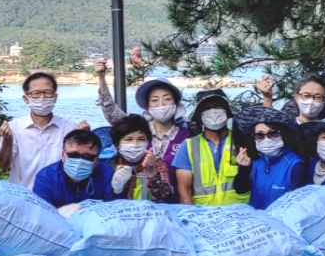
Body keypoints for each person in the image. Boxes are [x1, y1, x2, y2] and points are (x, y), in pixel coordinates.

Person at [94, 60, 192, 189]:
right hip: (138, 200)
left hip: (175, 203)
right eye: (154, 100)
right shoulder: (138, 130)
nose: (161, 104)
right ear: (147, 105)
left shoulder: (187, 136)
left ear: (176, 104)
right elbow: (112, 112)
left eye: (167, 99)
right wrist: (102, 77)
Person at [0, 71, 88, 187]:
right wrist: (7, 140)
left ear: (55, 97)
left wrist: (85, 138)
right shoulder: (14, 128)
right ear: (26, 99)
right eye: (35, 93)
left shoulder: (70, 128)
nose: (42, 98)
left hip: (59, 198)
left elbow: (80, 168)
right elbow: (4, 166)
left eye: (48, 93)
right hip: (25, 196)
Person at [172, 89, 250, 205]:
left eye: (218, 106)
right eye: (207, 108)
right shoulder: (188, 147)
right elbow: (184, 191)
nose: (213, 111)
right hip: (203, 217)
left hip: (239, 215)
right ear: (200, 115)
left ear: (227, 112)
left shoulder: (243, 141)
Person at [233, 106, 308, 209]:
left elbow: (297, 206)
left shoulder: (295, 165)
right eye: (259, 135)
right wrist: (244, 168)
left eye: (272, 134)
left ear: (282, 134)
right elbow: (240, 189)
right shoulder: (256, 161)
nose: (266, 139)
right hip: (257, 221)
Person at [33, 128, 117, 207]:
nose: (79, 161)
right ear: (63, 155)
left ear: (97, 160)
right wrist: (59, 212)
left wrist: (118, 189)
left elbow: (115, 207)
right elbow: (41, 213)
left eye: (87, 157)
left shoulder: (106, 174)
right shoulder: (46, 177)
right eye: (73, 155)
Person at [107, 115, 174, 202]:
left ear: (147, 142)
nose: (135, 144)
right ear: (117, 144)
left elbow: (166, 197)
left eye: (141, 139)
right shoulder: (109, 165)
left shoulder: (157, 163)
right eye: (128, 139)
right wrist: (117, 189)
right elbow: (103, 201)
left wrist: (152, 175)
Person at [258, 73, 325, 123]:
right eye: (306, 96)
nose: (311, 101)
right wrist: (267, 97)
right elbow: (268, 126)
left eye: (318, 97)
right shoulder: (287, 126)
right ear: (296, 98)